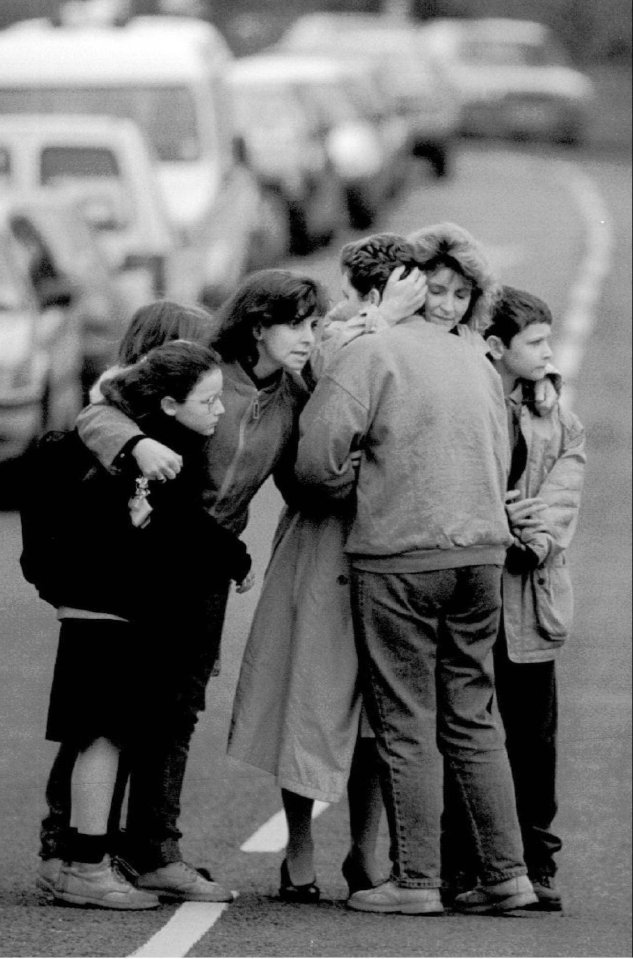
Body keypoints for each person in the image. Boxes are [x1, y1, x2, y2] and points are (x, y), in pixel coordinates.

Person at [68, 273, 331, 893]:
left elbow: (303, 482)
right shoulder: (207, 371)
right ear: (258, 326)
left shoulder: (292, 396)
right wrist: (133, 443)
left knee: (176, 711)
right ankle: (70, 848)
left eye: (315, 326)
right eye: (297, 324)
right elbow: (100, 407)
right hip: (148, 555)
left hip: (207, 568)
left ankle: (154, 852)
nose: (308, 338)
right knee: (108, 706)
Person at [294, 282, 538, 914]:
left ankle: (416, 882)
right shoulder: (478, 362)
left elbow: (315, 463)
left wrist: (367, 481)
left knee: (406, 720)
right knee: (475, 717)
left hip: (401, 555)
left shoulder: (373, 351)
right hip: (481, 554)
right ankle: (509, 875)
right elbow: (503, 450)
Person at [228, 237, 428, 903]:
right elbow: (314, 463)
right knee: (307, 697)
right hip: (320, 544)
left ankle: (362, 850)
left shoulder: (401, 338)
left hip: (385, 543)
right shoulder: (332, 340)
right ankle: (301, 847)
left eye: (346, 293)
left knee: (379, 706)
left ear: (371, 294)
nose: (332, 310)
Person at [28, 340, 252, 909]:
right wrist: (233, 555)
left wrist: (229, 554)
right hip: (104, 604)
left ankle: (81, 864)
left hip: (104, 602)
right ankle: (84, 865)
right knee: (101, 736)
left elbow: (175, 520)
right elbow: (168, 522)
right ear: (171, 404)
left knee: (105, 734)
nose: (219, 411)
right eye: (209, 400)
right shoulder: (140, 449)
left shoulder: (146, 435)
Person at [484, 286, 586, 910]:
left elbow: (564, 488)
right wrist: (503, 518)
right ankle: (472, 858)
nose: (548, 353)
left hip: (529, 592)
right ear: (496, 347)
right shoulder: (474, 403)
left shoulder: (555, 415)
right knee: (465, 731)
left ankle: (535, 860)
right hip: (471, 588)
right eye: (536, 342)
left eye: (550, 339)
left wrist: (533, 533)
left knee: (533, 735)